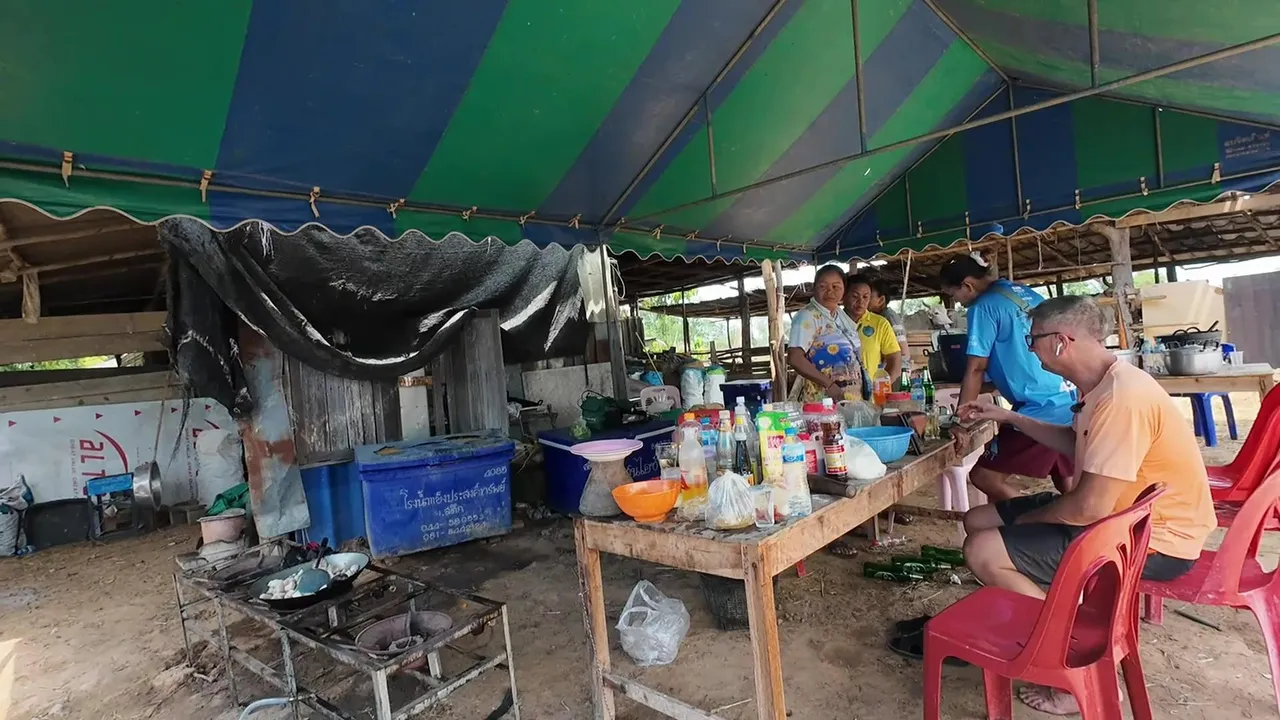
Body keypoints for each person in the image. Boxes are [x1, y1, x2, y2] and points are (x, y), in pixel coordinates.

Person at [958, 295, 1215, 715]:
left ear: (1060, 341)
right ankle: (1042, 610)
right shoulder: (1102, 384)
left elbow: (1086, 510)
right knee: (978, 519)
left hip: (1155, 540)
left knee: (982, 548)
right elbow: (1073, 443)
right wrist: (1008, 418)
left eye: (1033, 339)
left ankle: (1070, 664)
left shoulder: (1122, 398)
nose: (1029, 347)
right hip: (1120, 517)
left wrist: (1027, 521)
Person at [941, 254, 1076, 501]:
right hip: (1068, 398)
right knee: (1066, 478)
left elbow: (976, 368)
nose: (958, 302)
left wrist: (959, 422)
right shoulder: (1022, 292)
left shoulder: (982, 307)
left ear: (967, 285)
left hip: (1038, 408)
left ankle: (1038, 518)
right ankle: (1083, 523)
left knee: (984, 477)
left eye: (954, 295)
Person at [787, 265, 867, 403]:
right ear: (814, 288)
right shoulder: (807, 316)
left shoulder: (840, 315)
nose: (830, 292)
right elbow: (795, 358)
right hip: (823, 400)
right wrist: (829, 384)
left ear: (844, 289)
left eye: (836, 287)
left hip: (850, 397)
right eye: (823, 286)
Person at [844, 273, 902, 386]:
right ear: (843, 296)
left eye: (866, 297)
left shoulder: (880, 323)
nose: (861, 302)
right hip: (838, 393)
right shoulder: (832, 322)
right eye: (855, 296)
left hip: (871, 394)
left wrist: (883, 385)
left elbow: (894, 358)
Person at [868, 276, 909, 363]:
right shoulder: (874, 317)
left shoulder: (889, 318)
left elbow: (903, 351)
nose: (864, 300)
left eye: (868, 296)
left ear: (881, 300)